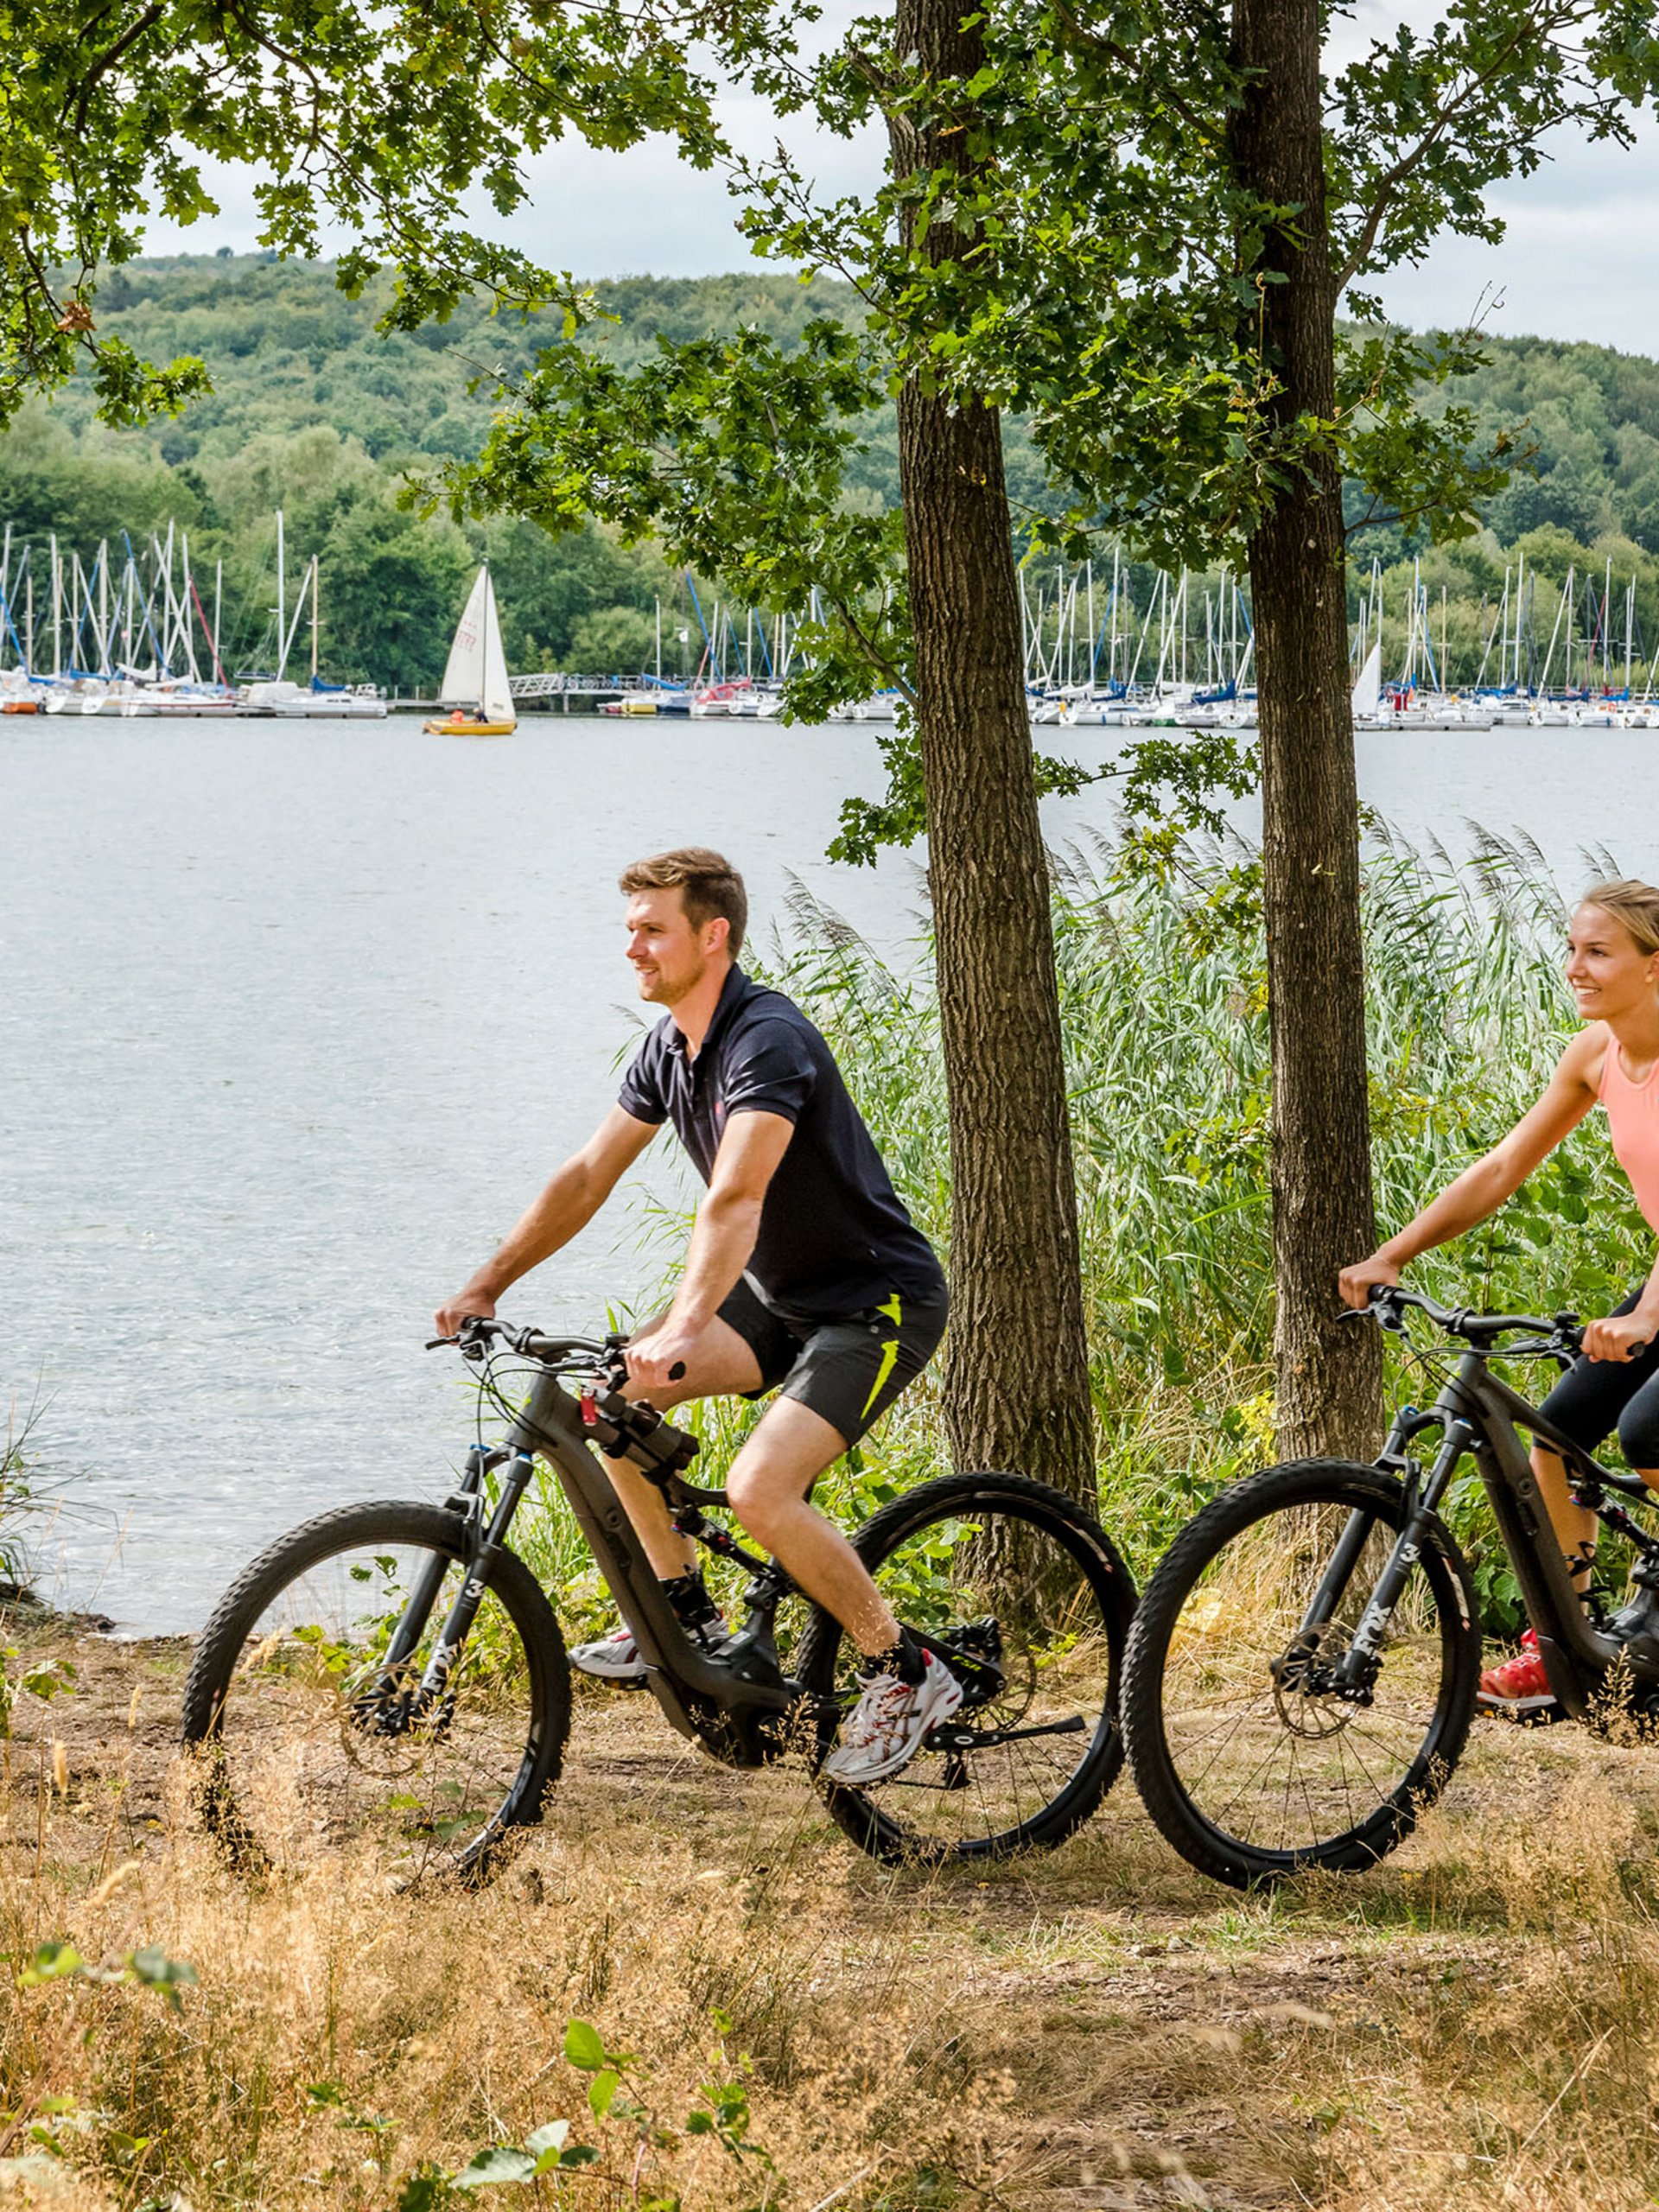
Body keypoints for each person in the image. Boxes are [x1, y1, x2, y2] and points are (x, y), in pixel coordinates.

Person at [435, 847, 957, 1785]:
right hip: (781, 1298)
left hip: (874, 1305)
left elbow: (735, 1197)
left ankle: (902, 1667)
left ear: (712, 936)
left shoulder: (767, 1041)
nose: (631, 946)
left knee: (761, 1490)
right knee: (610, 1400)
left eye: (651, 929)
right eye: (628, 929)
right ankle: (684, 1617)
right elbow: (589, 1175)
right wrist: (488, 1283)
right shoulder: (668, 1048)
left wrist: (681, 1326)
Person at [1340, 877, 1659, 1714]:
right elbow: (1502, 1167)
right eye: (1570, 947)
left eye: (1598, 951)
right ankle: (1572, 1649)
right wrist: (1393, 1252)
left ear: (1654, 967)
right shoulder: (1595, 1055)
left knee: (1649, 1429)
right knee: (1555, 1436)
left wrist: (1647, 1315)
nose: (1575, 967)